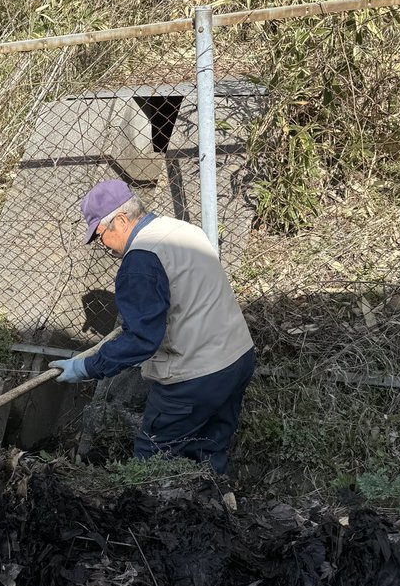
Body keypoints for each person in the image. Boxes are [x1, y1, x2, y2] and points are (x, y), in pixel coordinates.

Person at [49, 179, 256, 474]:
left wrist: (85, 368)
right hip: (237, 359)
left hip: (194, 377)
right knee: (208, 448)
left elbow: (142, 339)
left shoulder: (141, 261)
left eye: (100, 235)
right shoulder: (183, 229)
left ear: (120, 221)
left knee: (152, 458)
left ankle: (152, 515)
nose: (103, 246)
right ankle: (213, 504)